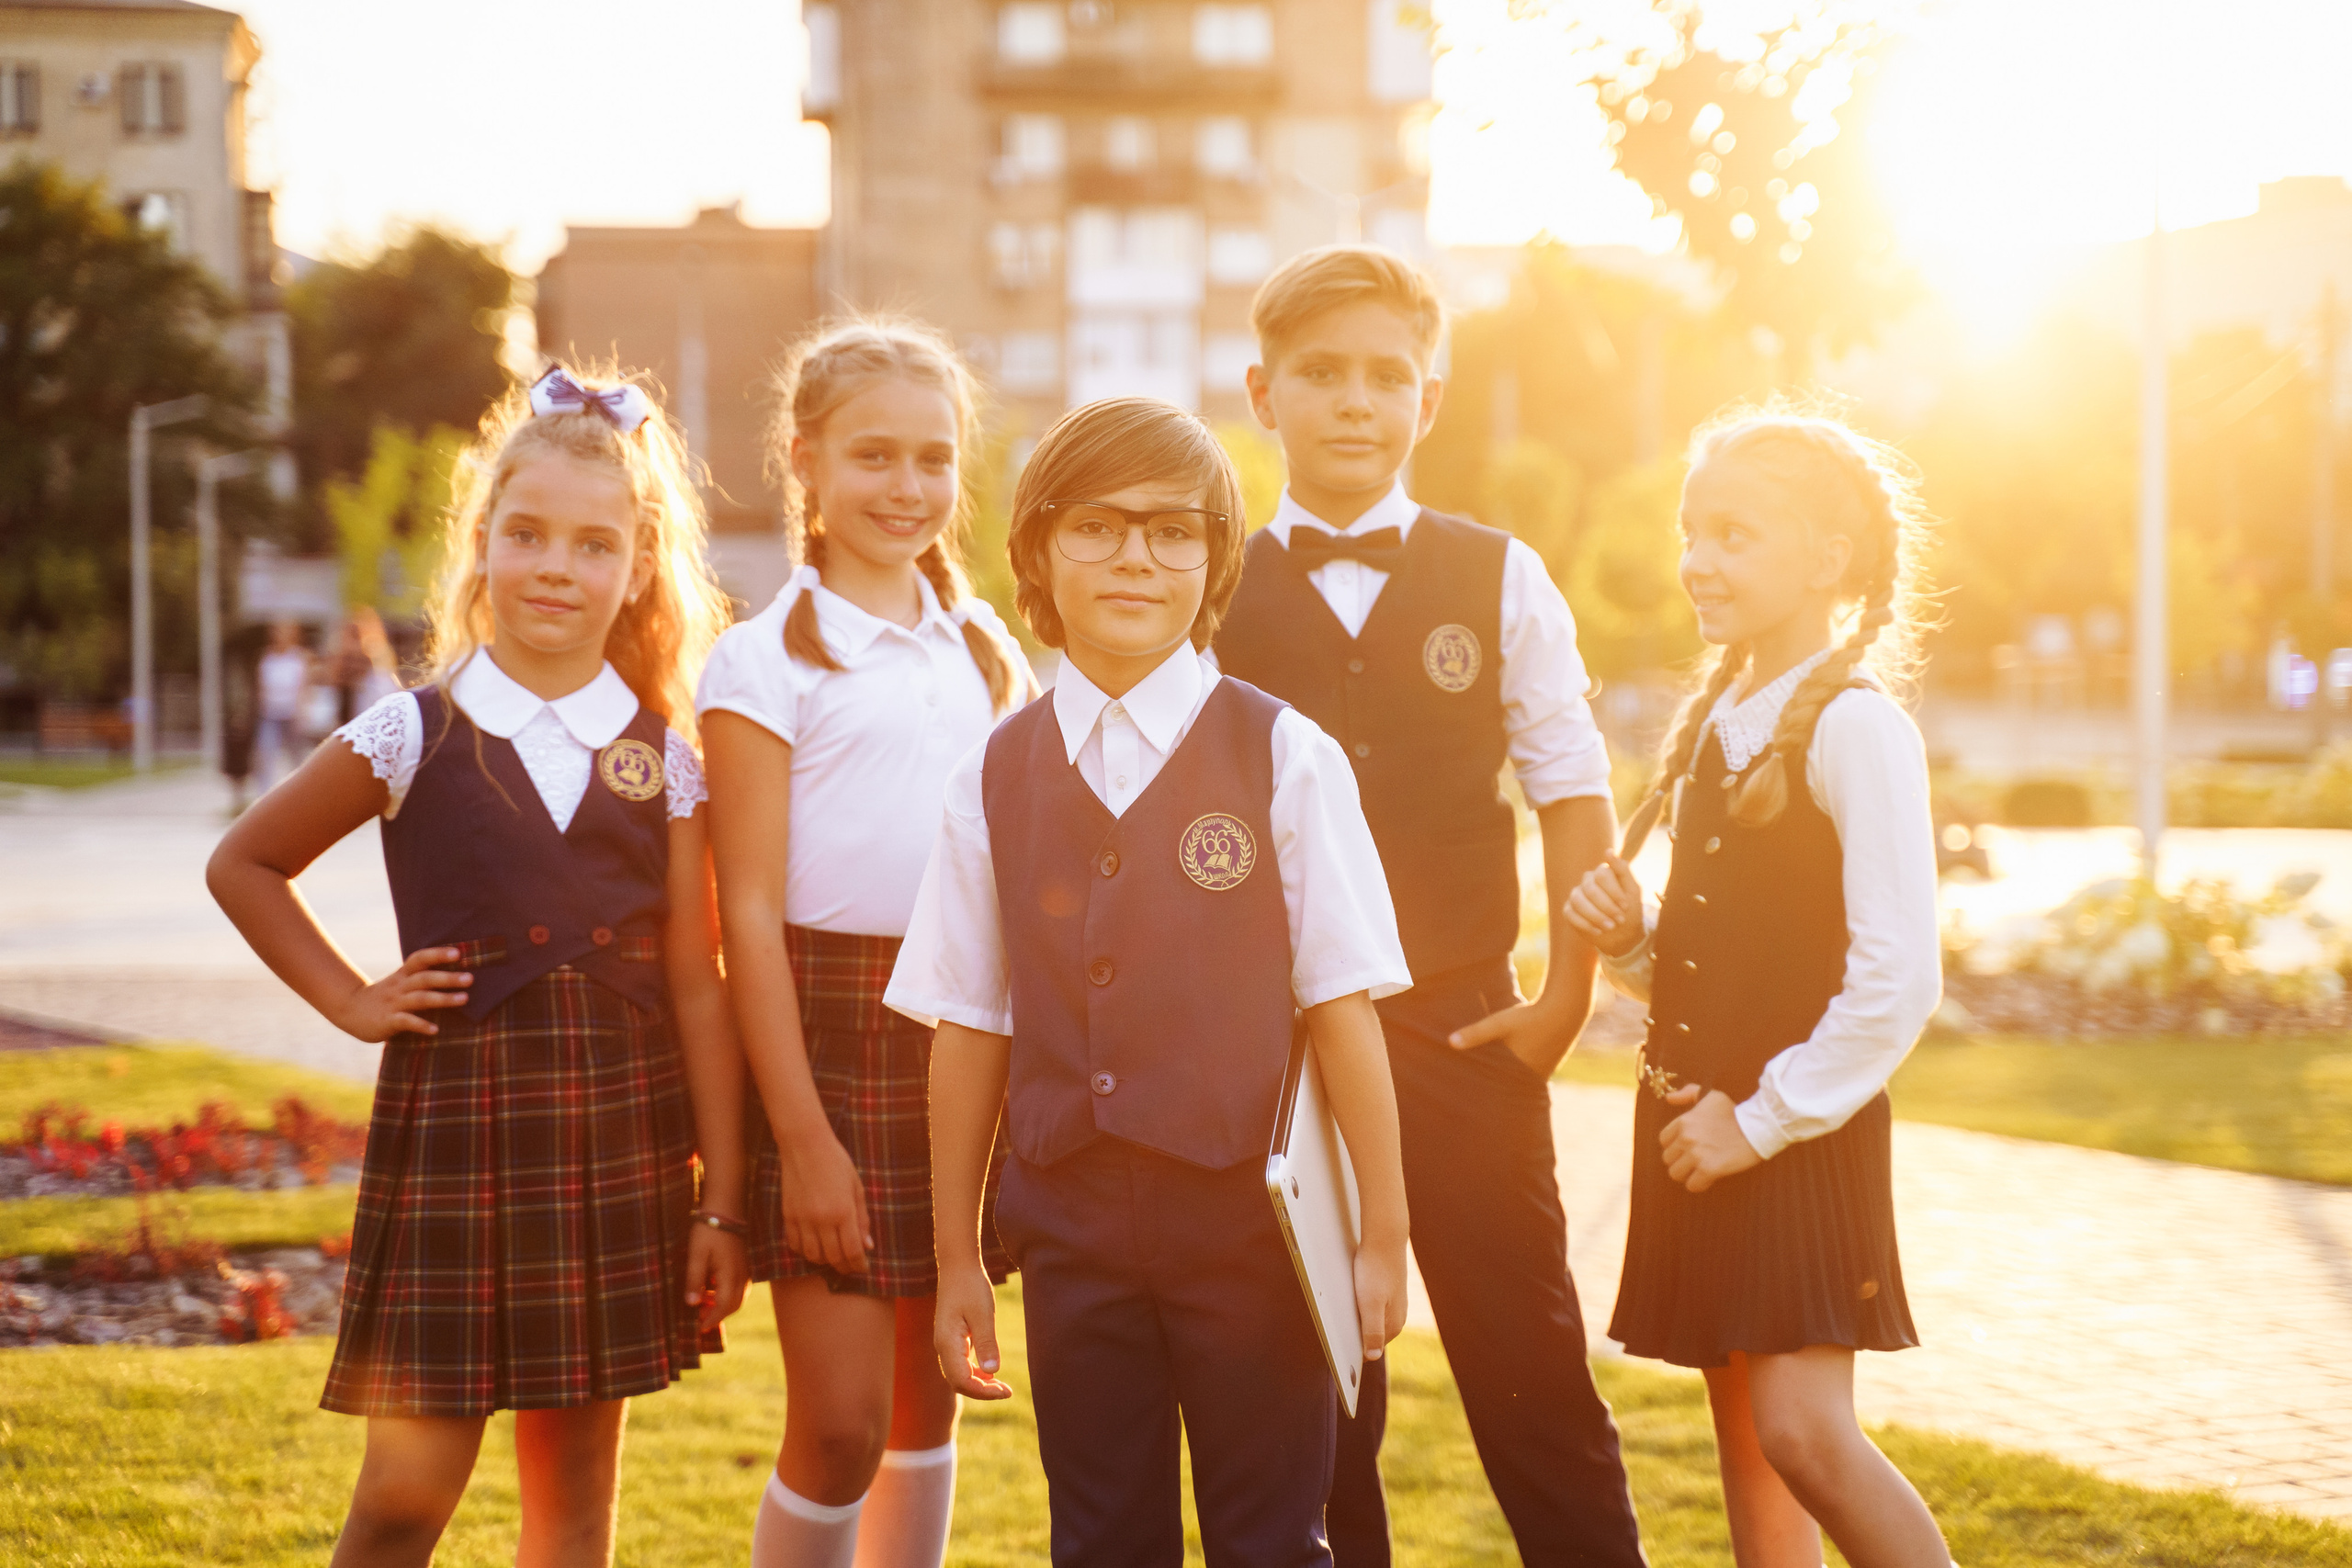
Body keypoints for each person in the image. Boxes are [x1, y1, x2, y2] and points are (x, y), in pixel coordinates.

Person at [205, 366, 749, 1568]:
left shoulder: (669, 759)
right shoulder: (413, 729)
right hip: (458, 1136)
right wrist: (350, 997)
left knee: (575, 1506)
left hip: (619, 1144)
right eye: (528, 534)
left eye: (594, 544)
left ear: (639, 566)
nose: (557, 566)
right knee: (405, 1495)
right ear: (483, 542)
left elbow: (699, 986)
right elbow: (246, 862)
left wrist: (723, 1197)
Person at [892, 397, 1412, 1567]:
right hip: (1069, 1232)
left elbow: (1343, 1008)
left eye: (1174, 531)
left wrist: (1383, 1232)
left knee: (1271, 1539)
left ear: (1214, 560)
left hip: (1250, 1234)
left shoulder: (1284, 755)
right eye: (1098, 525)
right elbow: (968, 1023)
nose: (1136, 556)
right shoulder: (991, 774)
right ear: (1036, 549)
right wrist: (956, 1258)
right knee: (1100, 1541)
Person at [1210, 244, 1645, 1566]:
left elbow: (1571, 786)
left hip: (1465, 1026)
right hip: (1272, 1044)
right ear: (1263, 394)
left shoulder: (1500, 575)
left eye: (1386, 376)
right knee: (1318, 1395)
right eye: (1320, 373)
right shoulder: (1210, 583)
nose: (1356, 400)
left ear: (1429, 399)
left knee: (1533, 1372)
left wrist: (1562, 999)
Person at [1563, 409, 1951, 1568]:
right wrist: (1633, 940)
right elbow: (1714, 961)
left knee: (1803, 1434)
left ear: (1828, 559)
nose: (1698, 560)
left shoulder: (1856, 728)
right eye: (1692, 532)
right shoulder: (1718, 731)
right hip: (1699, 1130)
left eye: (1733, 534)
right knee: (1748, 1441)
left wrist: (1761, 1121)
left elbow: (1897, 980)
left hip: (1788, 1135)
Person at [696, 320, 1032, 1568]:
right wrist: (801, 1140)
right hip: (824, 1048)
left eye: (933, 458)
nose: (907, 486)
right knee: (839, 1428)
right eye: (873, 454)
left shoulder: (987, 647)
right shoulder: (761, 662)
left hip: (961, 1040)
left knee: (929, 1400)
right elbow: (744, 916)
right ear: (806, 460)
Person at [254, 618, 311, 789]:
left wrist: (301, 712)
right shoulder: (267, 657)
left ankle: (301, 789)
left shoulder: (298, 658)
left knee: (296, 756)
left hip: (291, 713)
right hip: (271, 713)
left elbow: (303, 687)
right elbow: (261, 685)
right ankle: (264, 792)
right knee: (266, 752)